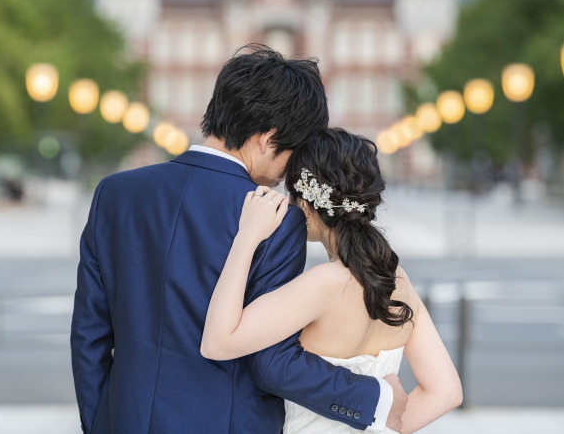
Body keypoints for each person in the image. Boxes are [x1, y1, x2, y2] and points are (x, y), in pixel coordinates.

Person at [70, 46, 407, 433]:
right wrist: (373, 398)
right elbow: (271, 362)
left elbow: (89, 336)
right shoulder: (277, 219)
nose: (291, 172)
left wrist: (100, 424)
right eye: (294, 152)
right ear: (267, 139)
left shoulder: (115, 194)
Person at [201, 128, 463, 433]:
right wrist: (384, 423)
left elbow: (217, 342)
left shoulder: (322, 285)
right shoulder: (396, 279)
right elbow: (446, 391)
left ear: (306, 205)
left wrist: (247, 236)